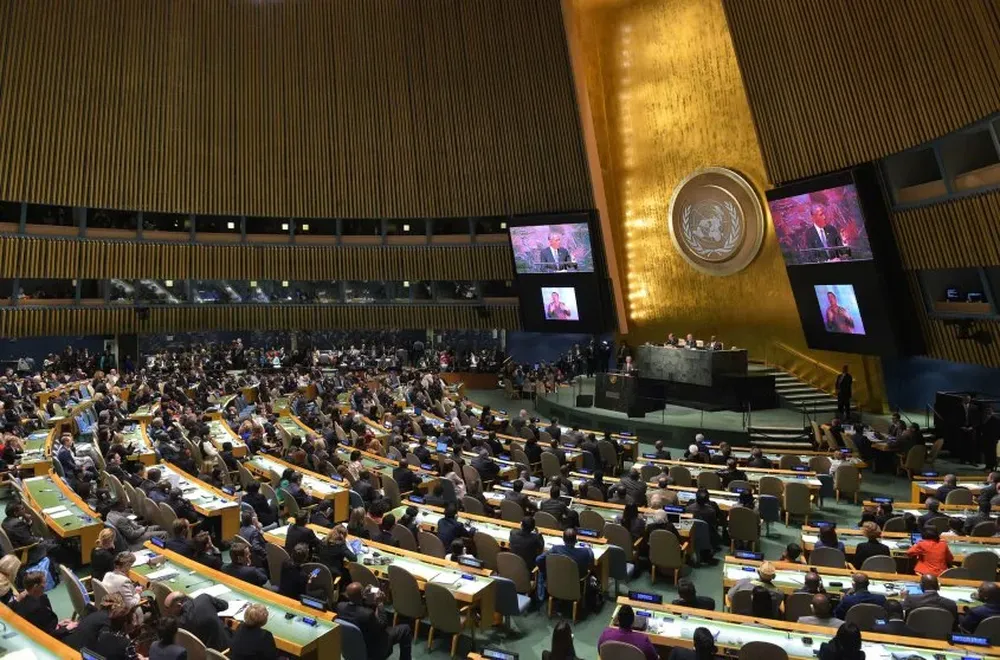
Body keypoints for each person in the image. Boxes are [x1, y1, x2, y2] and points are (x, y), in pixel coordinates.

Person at [336, 581, 413, 660]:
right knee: (405, 629)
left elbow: (356, 609)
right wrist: (380, 603)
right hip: (373, 650)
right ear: (362, 595)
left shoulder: (340, 606)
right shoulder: (367, 614)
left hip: (351, 647)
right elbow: (383, 625)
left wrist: (363, 596)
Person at [165, 590, 232, 651]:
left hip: (207, 654)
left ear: (179, 605)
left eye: (168, 608)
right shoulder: (204, 598)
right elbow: (225, 605)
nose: (167, 612)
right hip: (227, 646)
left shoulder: (180, 624)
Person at [13, 571, 74, 636]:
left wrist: (59, 624)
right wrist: (67, 629)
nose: (45, 585)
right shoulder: (34, 609)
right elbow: (45, 635)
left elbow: (45, 626)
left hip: (54, 629)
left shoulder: (41, 598)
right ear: (36, 586)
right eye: (44, 583)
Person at [100, 552, 143, 627]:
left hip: (108, 607)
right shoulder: (124, 581)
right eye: (130, 565)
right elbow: (130, 604)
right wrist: (138, 594)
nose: (130, 568)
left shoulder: (107, 574)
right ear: (126, 565)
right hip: (121, 613)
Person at [315, 525, 356, 589]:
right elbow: (354, 559)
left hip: (321, 571)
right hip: (333, 575)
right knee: (348, 573)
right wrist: (345, 545)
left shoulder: (323, 541)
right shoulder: (341, 546)